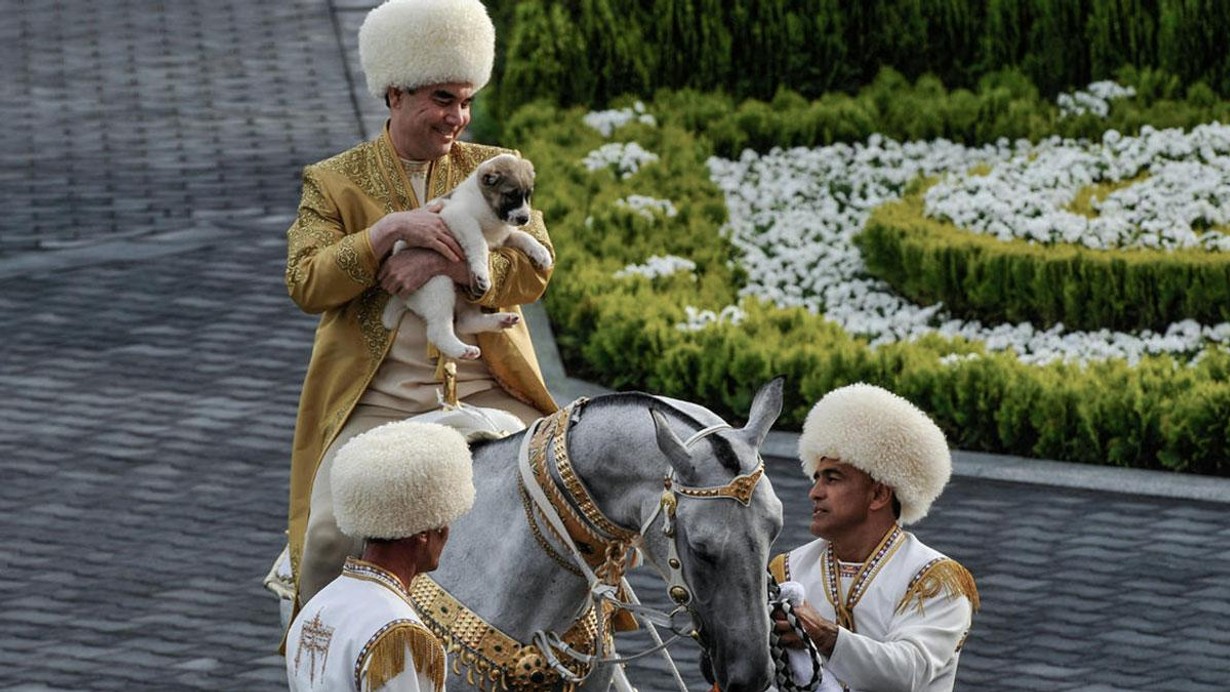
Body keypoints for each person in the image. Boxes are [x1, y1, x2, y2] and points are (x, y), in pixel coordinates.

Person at [283, 0, 558, 613]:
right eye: (442, 99)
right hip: (378, 399)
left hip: (491, 386)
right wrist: (384, 234)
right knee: (330, 537)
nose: (457, 117)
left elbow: (536, 266)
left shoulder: (493, 164)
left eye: (465, 101)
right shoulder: (334, 181)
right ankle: (325, 662)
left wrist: (441, 262)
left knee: (578, 515)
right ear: (395, 93)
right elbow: (305, 283)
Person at [768, 383, 979, 692]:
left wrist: (827, 636)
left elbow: (907, 673)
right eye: (817, 478)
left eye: (833, 478)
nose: (815, 493)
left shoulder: (936, 580)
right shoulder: (786, 569)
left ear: (879, 493)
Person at [286, 420, 474, 691]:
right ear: (423, 532)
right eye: (443, 523)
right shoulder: (400, 632)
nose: (446, 534)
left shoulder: (316, 609)